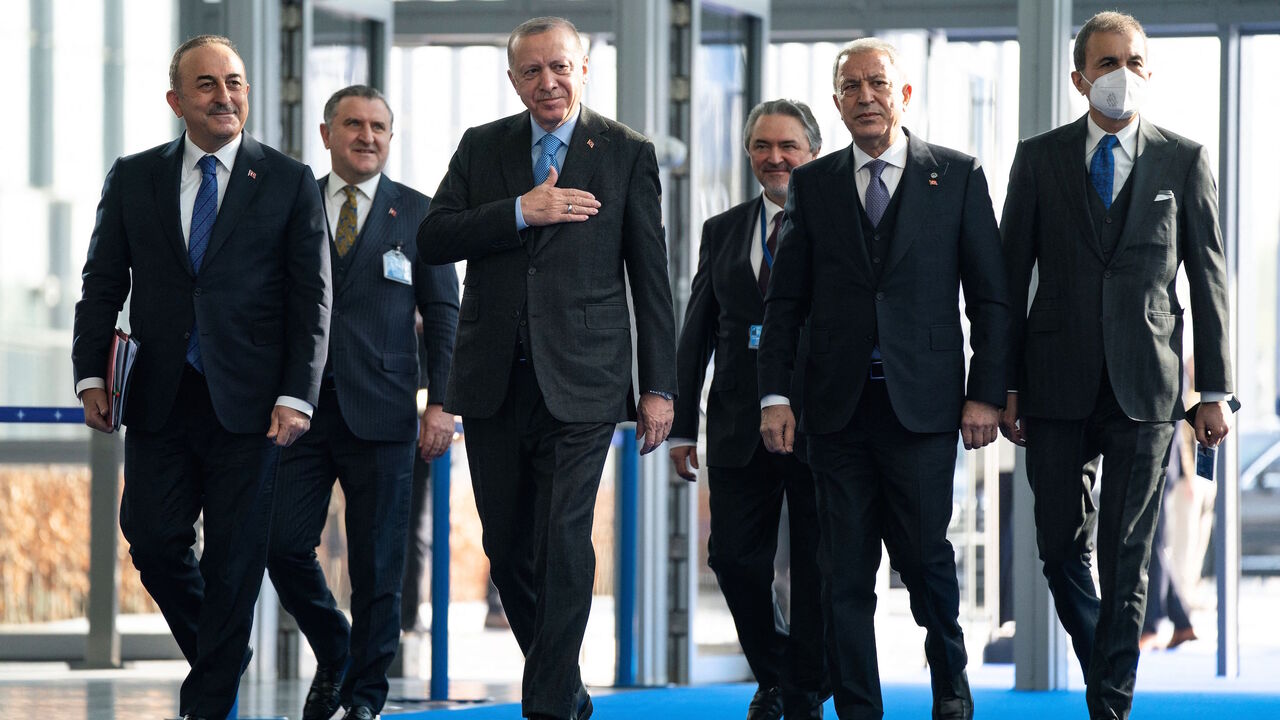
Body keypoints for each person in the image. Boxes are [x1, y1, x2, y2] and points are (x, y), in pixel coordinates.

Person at [417, 15, 676, 720]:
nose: (547, 81)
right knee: (506, 548)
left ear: (583, 70)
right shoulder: (484, 146)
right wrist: (518, 213)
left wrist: (659, 387)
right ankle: (562, 684)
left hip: (586, 380)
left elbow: (651, 278)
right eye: (531, 71)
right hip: (493, 378)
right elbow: (433, 237)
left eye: (559, 67)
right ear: (513, 81)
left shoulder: (625, 152)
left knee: (564, 535)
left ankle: (547, 705)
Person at [71, 35, 331, 720]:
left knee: (236, 561)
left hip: (253, 405)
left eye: (235, 83)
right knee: (153, 540)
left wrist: (296, 392)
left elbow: (313, 299)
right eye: (208, 84)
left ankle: (207, 704)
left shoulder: (287, 180)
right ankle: (224, 653)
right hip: (159, 395)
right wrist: (89, 377)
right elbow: (101, 285)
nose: (225, 96)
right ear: (176, 100)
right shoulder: (134, 177)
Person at [757, 37, 1008, 720]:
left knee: (927, 559)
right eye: (850, 87)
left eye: (877, 84)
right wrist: (775, 393)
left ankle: (950, 682)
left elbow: (990, 297)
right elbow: (787, 300)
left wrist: (985, 392)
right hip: (834, 413)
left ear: (903, 95)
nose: (865, 97)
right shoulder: (813, 184)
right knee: (842, 573)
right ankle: (860, 710)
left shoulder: (955, 176)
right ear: (836, 104)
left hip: (924, 411)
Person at [998, 11, 1233, 719]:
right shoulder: (1038, 159)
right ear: (1079, 78)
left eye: (1132, 62)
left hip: (1149, 387)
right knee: (1058, 546)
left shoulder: (1183, 159)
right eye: (1105, 64)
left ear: (1148, 71)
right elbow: (1008, 282)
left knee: (1128, 554)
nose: (1120, 76)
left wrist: (1214, 389)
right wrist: (1002, 385)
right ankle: (1108, 653)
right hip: (1053, 381)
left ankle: (1110, 704)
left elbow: (1208, 279)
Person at [266, 85, 459, 720]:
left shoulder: (420, 214)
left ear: (390, 136)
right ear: (326, 135)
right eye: (353, 124)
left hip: (385, 413)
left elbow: (446, 315)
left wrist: (442, 405)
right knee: (282, 545)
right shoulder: (291, 208)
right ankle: (337, 647)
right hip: (300, 409)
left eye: (379, 126)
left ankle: (364, 698)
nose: (367, 136)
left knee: (379, 567)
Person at [669, 99, 827, 720]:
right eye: (762, 146)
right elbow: (697, 331)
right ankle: (782, 672)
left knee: (817, 563)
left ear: (813, 152)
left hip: (820, 421)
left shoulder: (837, 226)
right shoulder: (724, 228)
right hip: (737, 423)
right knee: (732, 559)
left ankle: (804, 688)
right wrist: (682, 424)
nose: (775, 157)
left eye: (788, 145)